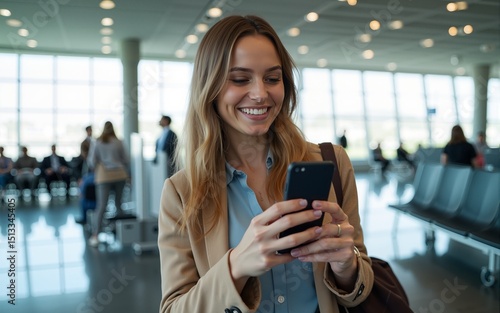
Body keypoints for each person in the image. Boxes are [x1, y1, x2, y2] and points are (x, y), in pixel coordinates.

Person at [158, 15, 373, 313]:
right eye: (240, 79)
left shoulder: (331, 162)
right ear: (210, 88)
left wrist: (346, 265)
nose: (260, 93)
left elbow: (359, 289)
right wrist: (237, 266)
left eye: (272, 78)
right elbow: (173, 308)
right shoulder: (182, 192)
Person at [87, 121, 130, 247]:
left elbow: (91, 161)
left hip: (104, 176)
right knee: (119, 204)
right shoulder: (119, 142)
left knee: (101, 206)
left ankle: (95, 235)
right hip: (120, 175)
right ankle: (122, 233)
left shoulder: (97, 142)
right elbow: (126, 159)